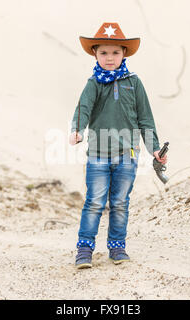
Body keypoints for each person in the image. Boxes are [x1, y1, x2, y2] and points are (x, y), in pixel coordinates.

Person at [69, 22, 167, 269]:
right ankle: (84, 248)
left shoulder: (133, 83)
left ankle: (117, 247)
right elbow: (83, 108)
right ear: (95, 54)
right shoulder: (94, 83)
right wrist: (77, 130)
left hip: (127, 155)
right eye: (103, 52)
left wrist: (154, 148)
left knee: (120, 202)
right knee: (94, 201)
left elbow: (145, 118)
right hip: (98, 155)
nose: (109, 58)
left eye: (115, 52)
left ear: (124, 53)